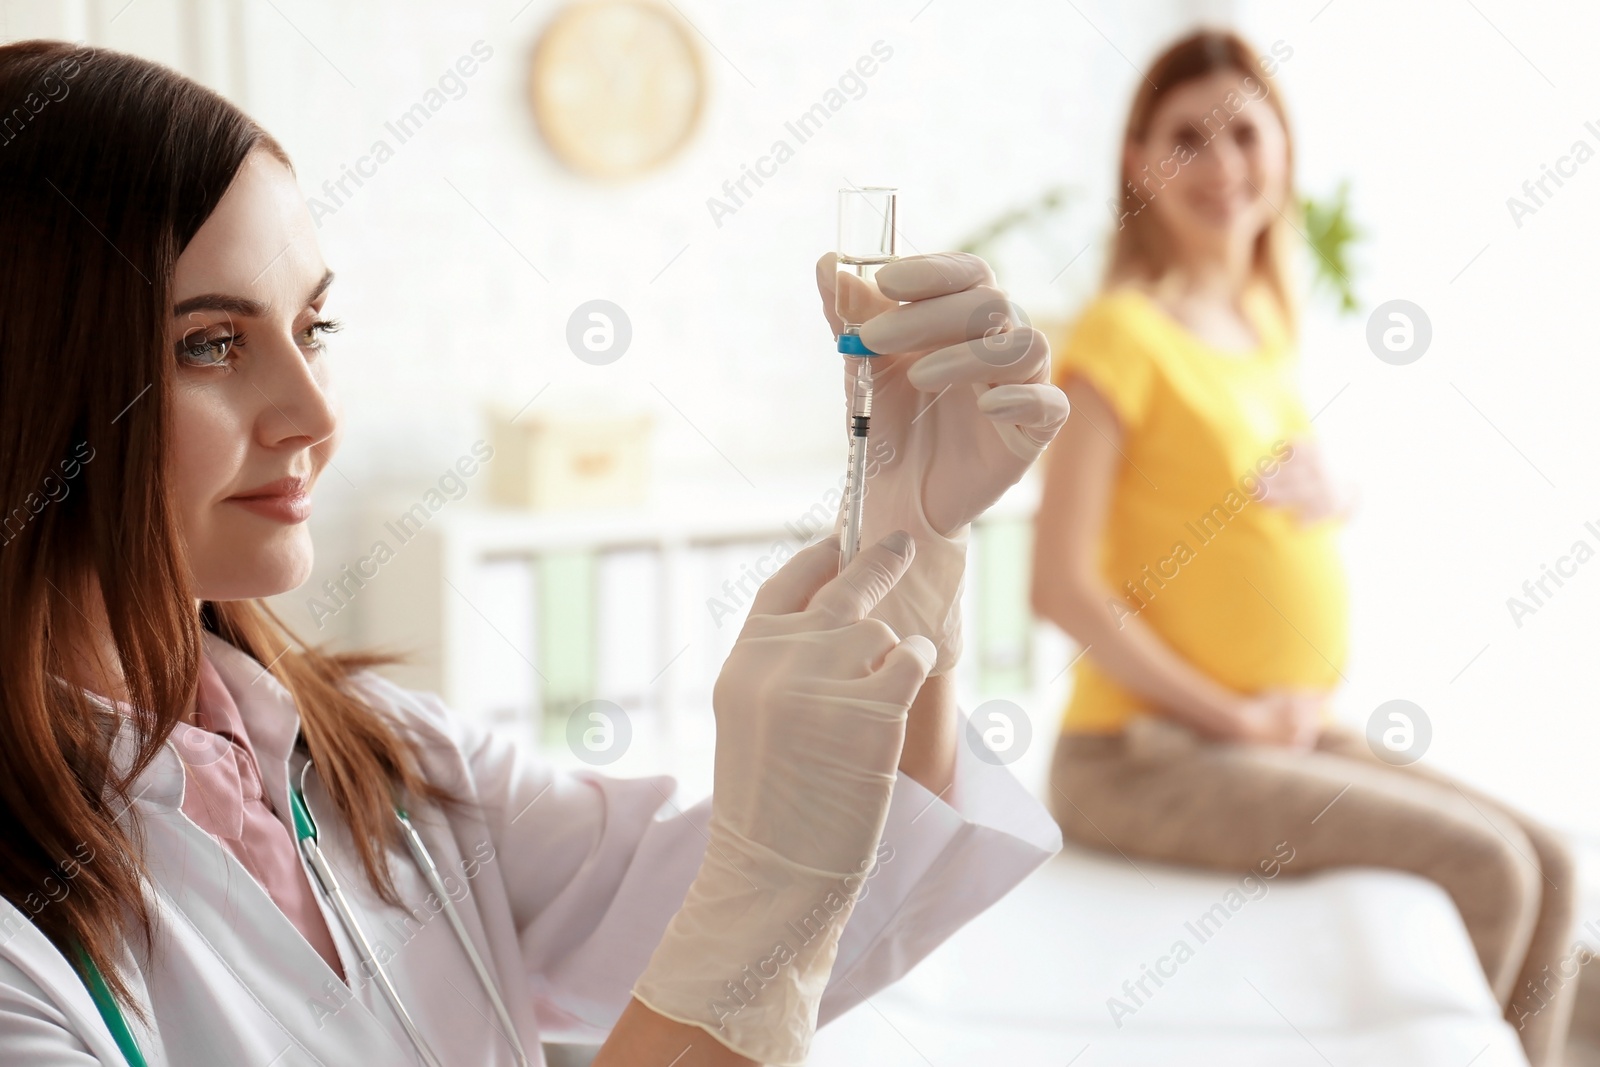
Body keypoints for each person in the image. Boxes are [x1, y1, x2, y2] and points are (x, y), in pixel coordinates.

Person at [0, 40, 1069, 1066]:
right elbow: (751, 924)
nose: (313, 413)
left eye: (313, 327)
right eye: (210, 343)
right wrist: (766, 887)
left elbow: (826, 906)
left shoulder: (379, 767)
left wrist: (899, 544)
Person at [1030, 28, 1577, 1064]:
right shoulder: (1118, 336)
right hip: (1140, 756)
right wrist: (1232, 714)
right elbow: (1059, 586)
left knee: (1548, 859)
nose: (1222, 164)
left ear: (1283, 147)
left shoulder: (1258, 328)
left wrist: (1341, 491)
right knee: (1492, 870)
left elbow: (1261, 499)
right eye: (1186, 137)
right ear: (1134, 159)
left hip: (1278, 727)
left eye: (1244, 131)